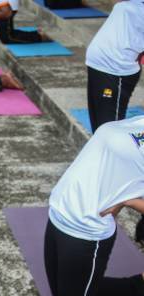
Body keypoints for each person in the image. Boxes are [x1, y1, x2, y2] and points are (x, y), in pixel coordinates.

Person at [44, 116, 144, 296]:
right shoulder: (139, 121)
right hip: (60, 213)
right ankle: (139, 285)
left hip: (85, 231)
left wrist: (130, 200)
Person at [85, 0, 144, 242]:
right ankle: (106, 184)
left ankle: (123, 194)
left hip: (117, 69)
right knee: (101, 134)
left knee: (112, 135)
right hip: (100, 63)